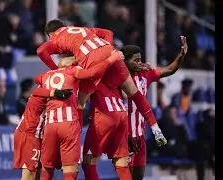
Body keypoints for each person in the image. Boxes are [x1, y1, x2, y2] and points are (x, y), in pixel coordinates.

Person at [37, 19, 166, 149]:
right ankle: (156, 129)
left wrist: (54, 70)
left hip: (91, 58)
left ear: (50, 34)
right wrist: (107, 55)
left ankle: (73, 143)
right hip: (109, 50)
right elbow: (107, 33)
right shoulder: (81, 29)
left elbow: (41, 51)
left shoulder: (56, 38)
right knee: (134, 92)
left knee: (80, 103)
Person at [34, 52, 120, 180]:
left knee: (47, 168)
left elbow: (36, 85)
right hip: (69, 125)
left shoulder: (45, 76)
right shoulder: (73, 71)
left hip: (50, 125)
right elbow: (92, 73)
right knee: (70, 170)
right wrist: (111, 59)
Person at [121, 36, 188, 180]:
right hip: (123, 136)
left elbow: (169, 69)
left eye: (140, 60)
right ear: (124, 61)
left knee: (138, 177)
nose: (140, 63)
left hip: (140, 136)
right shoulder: (116, 78)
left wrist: (181, 55)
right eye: (135, 60)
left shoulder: (145, 74)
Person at [13, 85, 73, 180]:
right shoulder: (44, 91)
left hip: (37, 135)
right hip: (29, 133)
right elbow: (36, 91)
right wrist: (54, 93)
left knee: (38, 173)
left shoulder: (52, 91)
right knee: (29, 174)